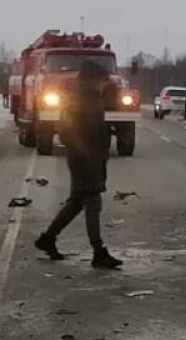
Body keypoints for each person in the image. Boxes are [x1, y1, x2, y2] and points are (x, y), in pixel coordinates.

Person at [34, 61, 122, 269]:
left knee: (76, 203)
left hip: (91, 157)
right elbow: (67, 129)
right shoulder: (77, 98)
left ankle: (47, 239)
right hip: (84, 159)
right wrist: (84, 152)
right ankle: (98, 251)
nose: (104, 84)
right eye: (101, 80)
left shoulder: (91, 97)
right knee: (93, 202)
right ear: (91, 79)